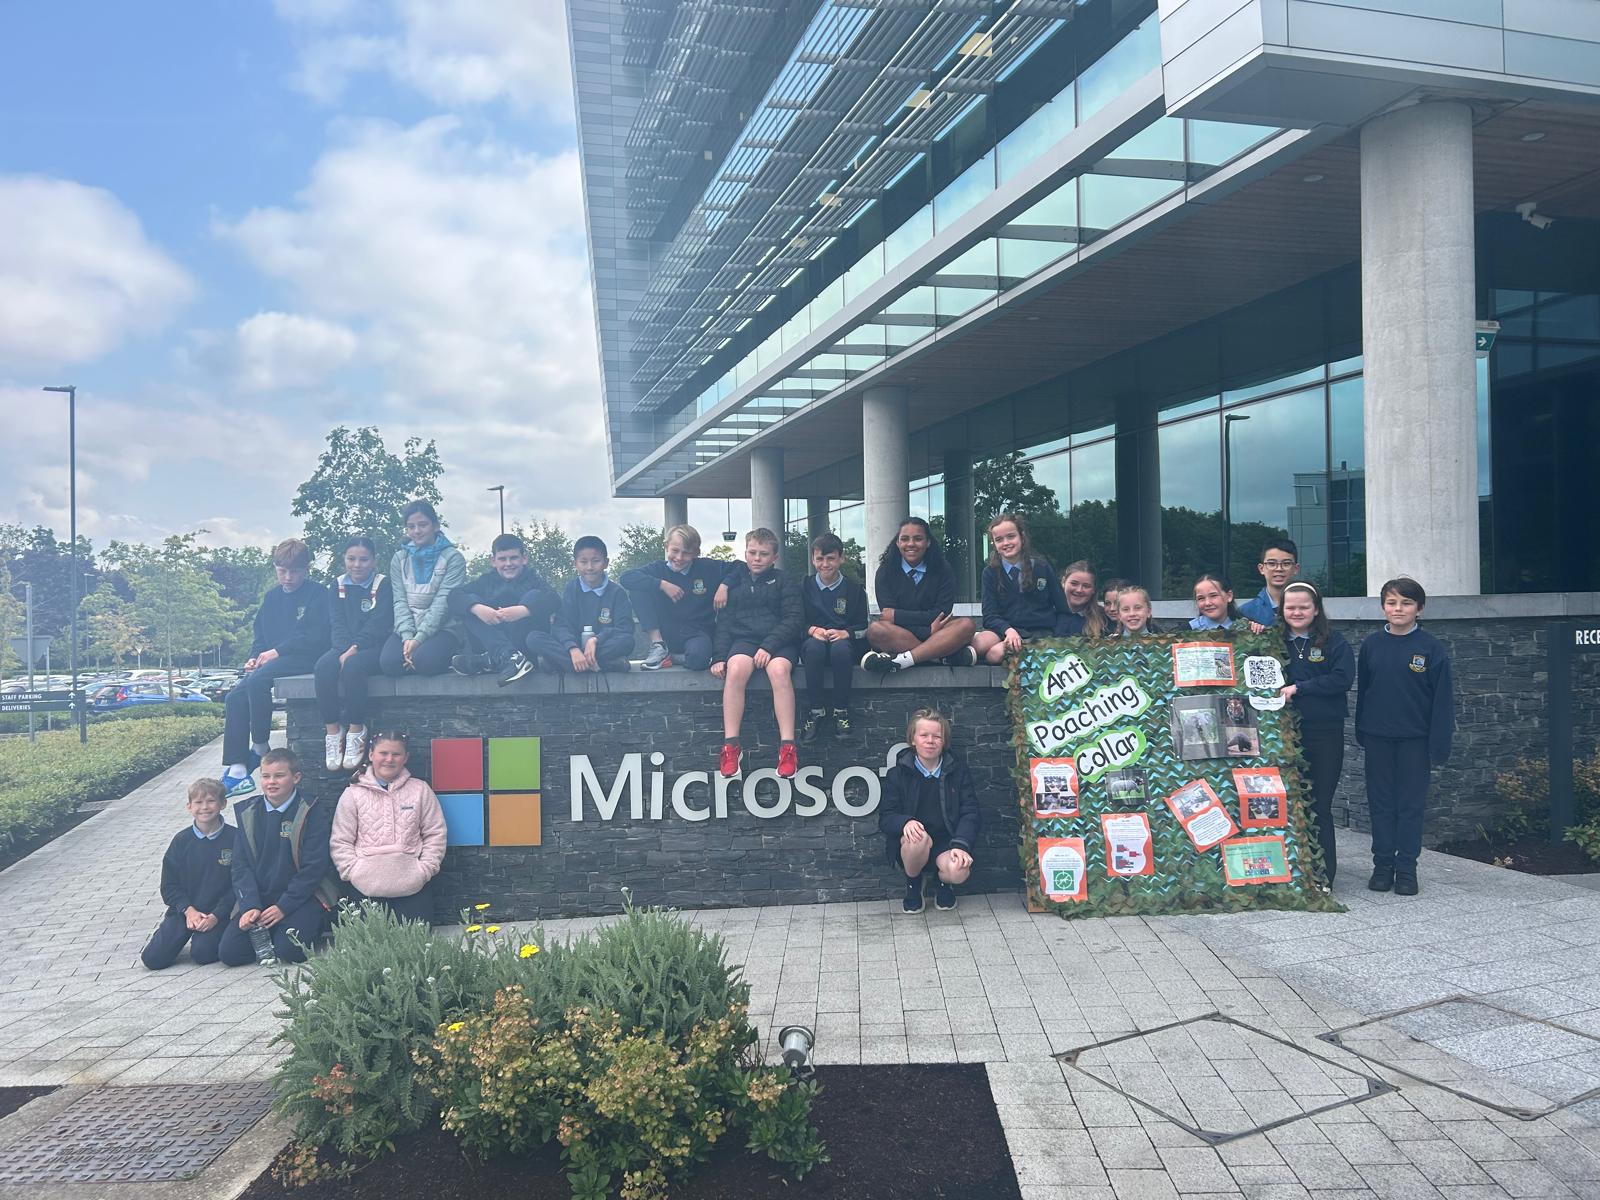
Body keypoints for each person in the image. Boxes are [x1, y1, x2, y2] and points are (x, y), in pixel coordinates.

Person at [1354, 577, 1454, 897]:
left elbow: (1442, 702)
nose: (1398, 609)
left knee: (1410, 806)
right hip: (1378, 737)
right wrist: (1362, 730)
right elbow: (1365, 691)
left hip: (1415, 741)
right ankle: (1383, 866)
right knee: (1381, 804)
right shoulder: (1371, 645)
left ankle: (1407, 868)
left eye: (1406, 603)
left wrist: (1438, 745)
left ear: (1419, 609)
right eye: (1392, 602)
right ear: (1383, 606)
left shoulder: (1431, 649)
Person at [223, 539, 330, 798]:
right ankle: (237, 767)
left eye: (294, 571)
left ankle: (260, 745)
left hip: (307, 657)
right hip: (275, 658)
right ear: (275, 568)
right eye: (282, 571)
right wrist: (253, 657)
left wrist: (277, 652)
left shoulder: (318, 594)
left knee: (258, 681)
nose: (288, 577)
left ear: (306, 569)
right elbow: (260, 634)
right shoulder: (272, 597)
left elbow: (315, 635)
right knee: (234, 696)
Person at [218, 749, 340, 966]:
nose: (271, 782)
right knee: (230, 953)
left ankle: (311, 924)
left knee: (290, 951)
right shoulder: (248, 812)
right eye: (266, 776)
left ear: (296, 778)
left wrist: (283, 907)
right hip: (261, 897)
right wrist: (249, 906)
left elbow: (315, 867)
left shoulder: (311, 810)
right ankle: (271, 929)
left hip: (301, 897)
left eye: (279, 776)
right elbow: (240, 866)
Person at [1276, 582, 1354, 888]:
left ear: (1316, 609)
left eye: (1303, 607)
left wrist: (1300, 688)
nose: (1296, 612)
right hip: (1283, 735)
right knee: (1287, 804)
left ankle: (1323, 876)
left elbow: (1341, 679)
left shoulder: (1334, 643)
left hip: (1324, 733)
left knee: (1319, 804)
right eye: (1290, 607)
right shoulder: (1273, 643)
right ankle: (1292, 873)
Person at [712, 528, 804, 778]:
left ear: (774, 557)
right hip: (744, 640)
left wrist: (769, 647)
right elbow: (724, 624)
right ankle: (731, 746)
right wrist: (719, 657)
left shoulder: (785, 581)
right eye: (752, 552)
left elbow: (794, 619)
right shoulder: (735, 582)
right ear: (745, 553)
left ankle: (788, 748)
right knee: (736, 668)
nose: (757, 558)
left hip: (780, 642)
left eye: (764, 554)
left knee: (779, 670)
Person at [329, 731, 446, 924]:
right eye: (383, 753)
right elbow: (341, 840)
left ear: (406, 758)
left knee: (414, 947)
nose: (389, 759)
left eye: (396, 754)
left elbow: (435, 833)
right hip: (364, 888)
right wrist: (353, 871)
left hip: (412, 887)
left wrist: (425, 869)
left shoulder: (420, 790)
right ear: (371, 755)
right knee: (367, 948)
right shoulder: (353, 794)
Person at [877, 709, 981, 913]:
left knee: (959, 871)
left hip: (946, 842)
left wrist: (961, 845)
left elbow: (971, 812)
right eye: (924, 735)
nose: (930, 741)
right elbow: (886, 817)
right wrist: (905, 822)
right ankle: (914, 884)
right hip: (912, 844)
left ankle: (942, 882)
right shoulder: (897, 774)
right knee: (918, 838)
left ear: (944, 741)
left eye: (937, 736)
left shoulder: (957, 772)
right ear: (913, 739)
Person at [314, 536, 394, 772]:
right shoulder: (336, 584)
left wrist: (355, 648)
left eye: (363, 559)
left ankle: (356, 728)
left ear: (374, 561)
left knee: (353, 667)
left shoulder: (383, 584)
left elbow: (379, 623)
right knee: (323, 667)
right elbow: (336, 621)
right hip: (342, 645)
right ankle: (333, 730)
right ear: (344, 559)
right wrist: (343, 648)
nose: (357, 565)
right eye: (351, 559)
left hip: (372, 647)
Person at [140, 779, 237, 970]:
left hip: (218, 912)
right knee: (153, 960)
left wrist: (216, 915)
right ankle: (182, 934)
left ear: (223, 804)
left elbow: (238, 884)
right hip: (186, 910)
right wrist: (188, 911)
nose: (205, 807)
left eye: (210, 801)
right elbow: (169, 886)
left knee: (203, 954)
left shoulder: (235, 838)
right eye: (198, 803)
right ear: (189, 807)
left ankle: (208, 936)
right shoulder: (181, 841)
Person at [861, 517, 978, 673]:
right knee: (876, 630)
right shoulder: (885, 572)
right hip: (905, 634)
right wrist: (927, 631)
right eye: (904, 539)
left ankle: (903, 660)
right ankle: (938, 656)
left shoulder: (943, 569)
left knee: (966, 625)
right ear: (897, 543)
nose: (911, 544)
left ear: (928, 542)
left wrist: (898, 615)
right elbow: (888, 617)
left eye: (918, 539)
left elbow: (941, 613)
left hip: (939, 631)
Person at [446, 532, 555, 686]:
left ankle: (490, 660)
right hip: (495, 642)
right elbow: (453, 596)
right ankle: (506, 657)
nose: (508, 563)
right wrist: (477, 609)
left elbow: (554, 600)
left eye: (514, 558)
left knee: (535, 596)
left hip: (523, 643)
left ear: (524, 558)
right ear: (493, 561)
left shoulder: (533, 580)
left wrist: (523, 610)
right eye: (502, 559)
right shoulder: (486, 581)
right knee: (469, 602)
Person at [622, 524, 728, 672]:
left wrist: (724, 585)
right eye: (675, 551)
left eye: (686, 553)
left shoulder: (707, 567)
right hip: (666, 633)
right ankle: (659, 647)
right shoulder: (658, 569)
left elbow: (740, 568)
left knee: (699, 659)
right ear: (666, 546)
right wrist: (662, 584)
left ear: (696, 552)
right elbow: (626, 578)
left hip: (697, 632)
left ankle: (671, 657)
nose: (679, 558)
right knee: (638, 588)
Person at [381, 500, 468, 678]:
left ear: (435, 526)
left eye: (422, 525)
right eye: (411, 526)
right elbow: (399, 600)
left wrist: (419, 639)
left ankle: (452, 654)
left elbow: (442, 603)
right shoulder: (399, 558)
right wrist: (407, 638)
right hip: (408, 626)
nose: (417, 531)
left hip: (444, 628)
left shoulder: (453, 558)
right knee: (389, 664)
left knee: (425, 662)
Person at [972, 512, 1071, 664]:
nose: (1006, 543)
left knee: (994, 654)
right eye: (999, 539)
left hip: (1038, 631)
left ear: (1022, 538)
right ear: (994, 544)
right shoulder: (990, 572)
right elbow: (990, 615)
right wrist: (1008, 630)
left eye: (1011, 536)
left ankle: (1027, 652)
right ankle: (958, 656)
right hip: (1006, 630)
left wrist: (1057, 638)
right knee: (978, 643)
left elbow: (1062, 608)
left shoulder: (1041, 567)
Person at [528, 535, 635, 673]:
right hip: (574, 648)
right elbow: (561, 625)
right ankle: (602, 664)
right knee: (534, 638)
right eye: (583, 562)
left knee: (627, 641)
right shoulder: (571, 589)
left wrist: (596, 640)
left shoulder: (617, 592)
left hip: (601, 647)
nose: (590, 567)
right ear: (575, 563)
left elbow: (625, 628)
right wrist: (572, 648)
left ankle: (564, 664)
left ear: (606, 562)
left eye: (595, 561)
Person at [799, 532, 868, 743]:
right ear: (813, 559)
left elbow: (864, 626)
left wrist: (845, 633)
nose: (825, 564)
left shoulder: (855, 590)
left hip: (843, 646)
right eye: (820, 558)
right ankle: (816, 711)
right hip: (814, 643)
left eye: (830, 558)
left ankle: (841, 711)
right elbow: (794, 622)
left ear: (841, 558)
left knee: (841, 649)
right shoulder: (803, 587)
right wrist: (812, 630)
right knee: (813, 648)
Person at [1238, 538, 1301, 628]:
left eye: (1286, 564)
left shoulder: (1307, 609)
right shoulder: (1246, 612)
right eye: (1272, 564)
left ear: (1296, 568)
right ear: (1261, 568)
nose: (1279, 569)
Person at [1058, 560, 1111, 637]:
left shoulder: (1104, 621)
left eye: (1086, 586)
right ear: (1063, 582)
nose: (1079, 590)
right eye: (1074, 583)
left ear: (1094, 589)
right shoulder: (1047, 615)